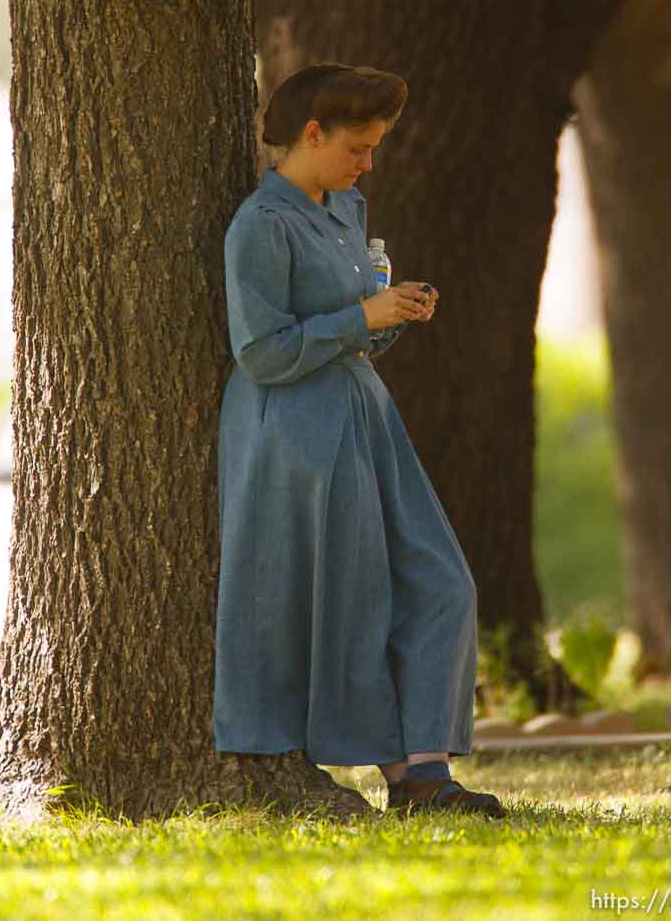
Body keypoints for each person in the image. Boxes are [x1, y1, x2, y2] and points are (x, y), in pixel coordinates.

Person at [212, 62, 506, 818]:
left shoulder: (345, 209)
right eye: (358, 146)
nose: (367, 163)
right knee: (356, 596)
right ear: (311, 134)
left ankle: (424, 765)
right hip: (297, 430)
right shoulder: (260, 224)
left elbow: (356, 335)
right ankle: (412, 777)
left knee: (440, 581)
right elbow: (263, 353)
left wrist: (392, 315)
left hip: (364, 413)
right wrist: (361, 319)